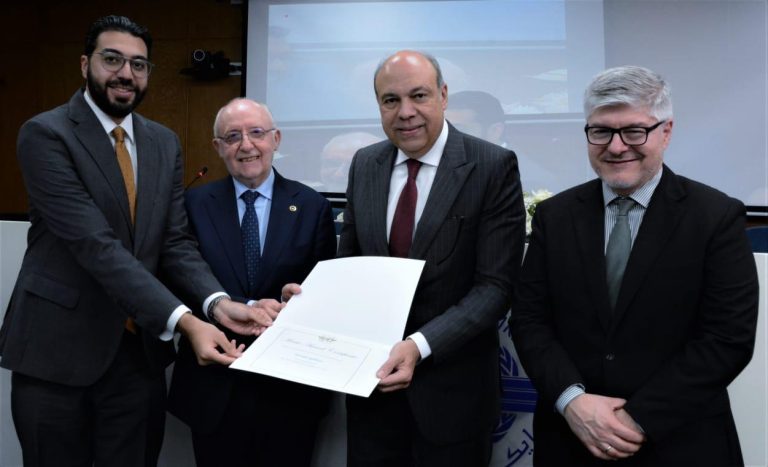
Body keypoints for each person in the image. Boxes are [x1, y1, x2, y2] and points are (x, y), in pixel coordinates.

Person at [0, 15, 275, 466]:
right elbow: (96, 246)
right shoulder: (46, 134)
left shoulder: (162, 143)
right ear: (85, 64)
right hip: (56, 355)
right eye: (113, 60)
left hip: (136, 357)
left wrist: (218, 304)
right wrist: (186, 322)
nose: (126, 73)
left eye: (139, 64)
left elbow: (174, 243)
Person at [510, 65, 759, 466]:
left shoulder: (716, 216)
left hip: (681, 443)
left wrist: (635, 420)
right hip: (571, 438)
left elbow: (727, 339)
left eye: (634, 131)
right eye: (601, 131)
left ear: (666, 131)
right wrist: (572, 401)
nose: (616, 146)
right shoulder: (555, 217)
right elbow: (530, 321)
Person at [337, 50, 526, 466]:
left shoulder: (491, 166)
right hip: (371, 396)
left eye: (418, 96)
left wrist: (418, 346)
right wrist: (316, 299)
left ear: (443, 95)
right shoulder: (365, 163)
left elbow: (495, 287)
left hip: (452, 402)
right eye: (391, 100)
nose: (405, 112)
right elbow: (351, 265)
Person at [167, 98, 337, 467]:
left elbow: (324, 294)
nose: (246, 145)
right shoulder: (192, 204)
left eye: (257, 133)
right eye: (233, 136)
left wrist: (297, 300)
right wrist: (239, 305)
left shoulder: (312, 206)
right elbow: (178, 278)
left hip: (290, 392)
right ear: (218, 147)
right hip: (215, 385)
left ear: (276, 139)